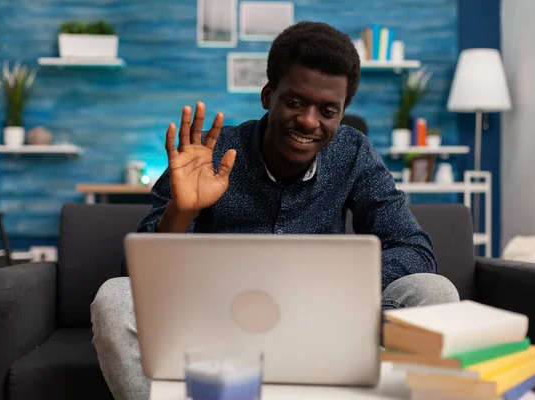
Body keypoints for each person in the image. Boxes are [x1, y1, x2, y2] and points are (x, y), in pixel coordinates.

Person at [90, 21, 460, 400]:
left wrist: (328, 282)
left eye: (328, 110)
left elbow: (415, 252)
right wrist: (179, 213)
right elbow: (134, 276)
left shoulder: (353, 152)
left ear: (342, 112)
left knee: (435, 292)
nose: (309, 121)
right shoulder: (209, 154)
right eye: (296, 102)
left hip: (327, 321)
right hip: (216, 321)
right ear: (268, 95)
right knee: (114, 298)